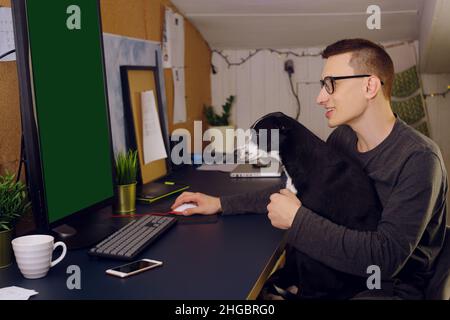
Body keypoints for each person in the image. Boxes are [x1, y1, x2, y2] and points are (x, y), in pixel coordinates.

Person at [171, 39, 448, 300]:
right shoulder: (343, 138)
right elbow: (306, 189)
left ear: (369, 87)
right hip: (339, 275)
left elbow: (384, 259)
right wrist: (220, 203)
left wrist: (296, 219)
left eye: (331, 85)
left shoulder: (419, 158)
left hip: (386, 289)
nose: (319, 97)